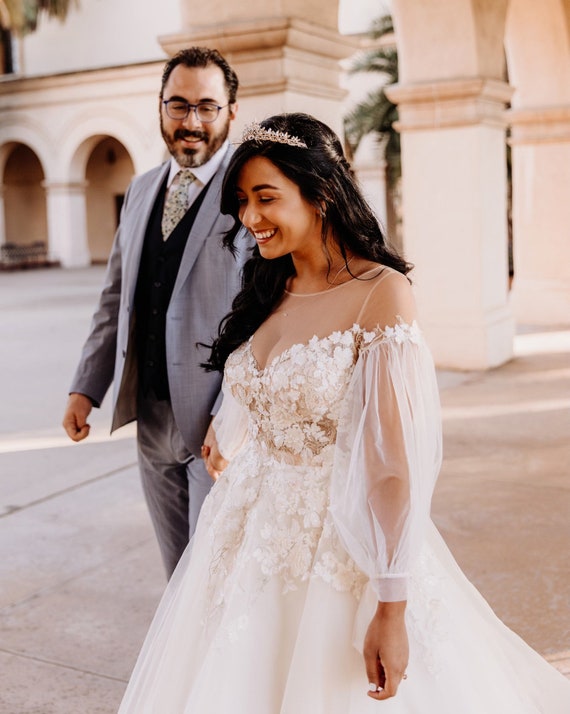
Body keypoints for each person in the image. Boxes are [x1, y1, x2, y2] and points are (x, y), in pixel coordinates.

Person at [117, 113, 570, 712]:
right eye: (242, 200)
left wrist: (391, 602)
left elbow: (392, 465)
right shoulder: (267, 284)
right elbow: (260, 382)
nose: (249, 217)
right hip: (244, 535)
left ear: (321, 194)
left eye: (266, 197)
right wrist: (232, 429)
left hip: (336, 547)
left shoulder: (380, 292)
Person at [62, 47, 250, 578]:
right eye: (178, 105)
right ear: (161, 108)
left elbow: (266, 314)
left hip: (217, 419)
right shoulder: (143, 189)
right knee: (176, 575)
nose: (191, 122)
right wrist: (86, 386)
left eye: (207, 107)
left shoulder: (249, 191)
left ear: (231, 111)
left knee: (210, 578)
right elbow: (114, 297)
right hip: (150, 413)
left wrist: (234, 414)